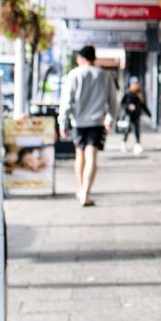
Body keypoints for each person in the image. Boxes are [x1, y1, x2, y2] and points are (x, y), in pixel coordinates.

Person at [58, 45, 117, 206]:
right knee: (92, 157)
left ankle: (80, 188)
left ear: (80, 59)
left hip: (78, 123)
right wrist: (110, 120)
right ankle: (86, 192)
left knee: (80, 156)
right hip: (97, 123)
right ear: (94, 58)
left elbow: (66, 101)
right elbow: (113, 101)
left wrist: (63, 122)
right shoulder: (104, 76)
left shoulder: (74, 74)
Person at [120, 77, 151, 154]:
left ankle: (137, 145)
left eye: (137, 83)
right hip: (128, 115)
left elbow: (143, 105)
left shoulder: (139, 95)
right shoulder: (128, 94)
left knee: (137, 130)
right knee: (127, 130)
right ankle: (123, 143)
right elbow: (123, 104)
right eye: (135, 84)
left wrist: (149, 114)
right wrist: (128, 107)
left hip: (136, 115)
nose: (136, 85)